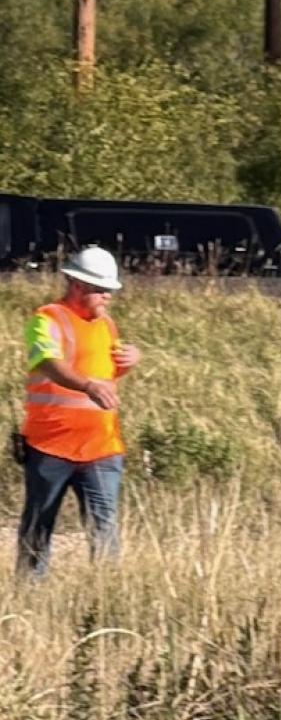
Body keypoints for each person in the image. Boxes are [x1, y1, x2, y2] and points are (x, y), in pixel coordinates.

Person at [17, 246, 141, 579]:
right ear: (77, 285)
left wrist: (129, 360)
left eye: (110, 290)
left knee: (104, 530)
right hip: (50, 446)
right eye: (102, 290)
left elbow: (105, 376)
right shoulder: (47, 319)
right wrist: (87, 386)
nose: (108, 297)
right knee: (38, 529)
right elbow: (48, 362)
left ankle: (106, 598)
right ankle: (29, 597)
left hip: (101, 448)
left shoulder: (107, 326)